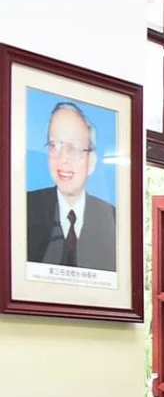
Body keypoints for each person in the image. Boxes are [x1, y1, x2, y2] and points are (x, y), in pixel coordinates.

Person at [26, 101, 118, 272]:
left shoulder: (113, 220)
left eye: (73, 148)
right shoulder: (25, 209)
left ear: (91, 161)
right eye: (55, 146)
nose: (63, 158)